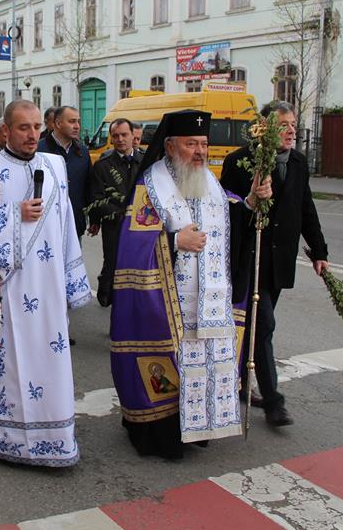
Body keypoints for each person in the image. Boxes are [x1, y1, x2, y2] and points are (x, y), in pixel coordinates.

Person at [109, 109, 271, 460]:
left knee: (199, 365)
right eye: (191, 144)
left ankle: (197, 428)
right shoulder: (150, 185)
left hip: (206, 305)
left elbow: (231, 218)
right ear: (169, 146)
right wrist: (173, 241)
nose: (200, 152)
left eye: (204, 144)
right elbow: (133, 245)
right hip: (166, 302)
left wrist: (254, 202)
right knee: (168, 364)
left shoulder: (209, 183)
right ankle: (158, 432)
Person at [0, 99, 92, 467]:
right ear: (5, 131)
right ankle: (7, 441)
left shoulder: (55, 166)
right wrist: (14, 215)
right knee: (12, 365)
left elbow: (66, 226)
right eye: (23, 128)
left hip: (46, 289)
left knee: (50, 362)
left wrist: (71, 280)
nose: (32, 135)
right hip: (8, 291)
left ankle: (55, 440)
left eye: (36, 128)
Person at [220, 101, 328, 428]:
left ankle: (240, 382)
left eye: (293, 123)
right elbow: (227, 211)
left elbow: (305, 208)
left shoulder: (296, 162)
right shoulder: (239, 161)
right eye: (284, 124)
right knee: (263, 325)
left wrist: (319, 251)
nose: (292, 130)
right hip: (250, 260)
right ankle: (273, 402)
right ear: (264, 129)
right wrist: (252, 199)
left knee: (255, 328)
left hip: (279, 261)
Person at [87, 118, 143, 307]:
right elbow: (97, 197)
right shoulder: (103, 166)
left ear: (133, 135)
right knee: (113, 262)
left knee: (138, 265)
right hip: (114, 225)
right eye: (115, 136)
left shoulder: (145, 162)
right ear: (111, 138)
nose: (120, 139)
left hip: (141, 224)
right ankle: (108, 293)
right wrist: (119, 214)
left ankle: (134, 301)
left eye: (124, 135)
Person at [37, 106, 90, 239]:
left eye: (78, 121)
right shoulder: (38, 150)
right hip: (45, 225)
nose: (77, 126)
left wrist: (92, 216)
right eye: (72, 121)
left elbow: (89, 185)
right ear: (58, 123)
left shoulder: (82, 152)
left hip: (75, 224)